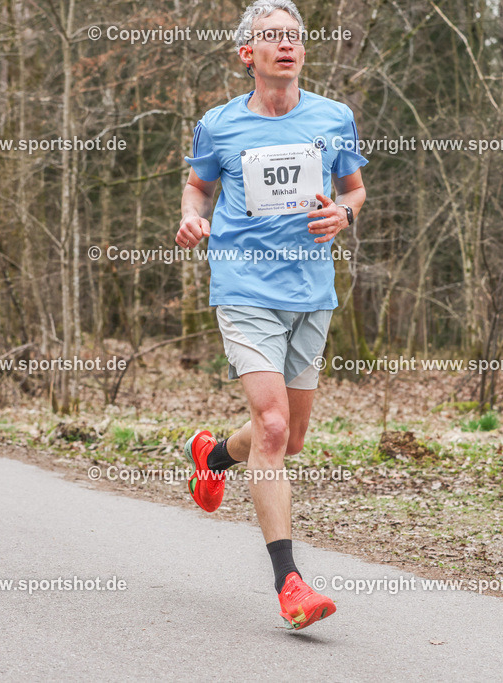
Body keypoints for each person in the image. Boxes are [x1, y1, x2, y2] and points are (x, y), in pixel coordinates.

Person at [175, 0, 367, 630]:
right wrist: (193, 215)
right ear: (246, 54)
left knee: (290, 437)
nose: (287, 45)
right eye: (272, 38)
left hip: (311, 292)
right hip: (243, 286)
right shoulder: (219, 125)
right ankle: (289, 582)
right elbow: (199, 184)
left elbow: (354, 189)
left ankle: (213, 456)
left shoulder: (334, 118)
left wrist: (345, 213)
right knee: (275, 427)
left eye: (295, 37)